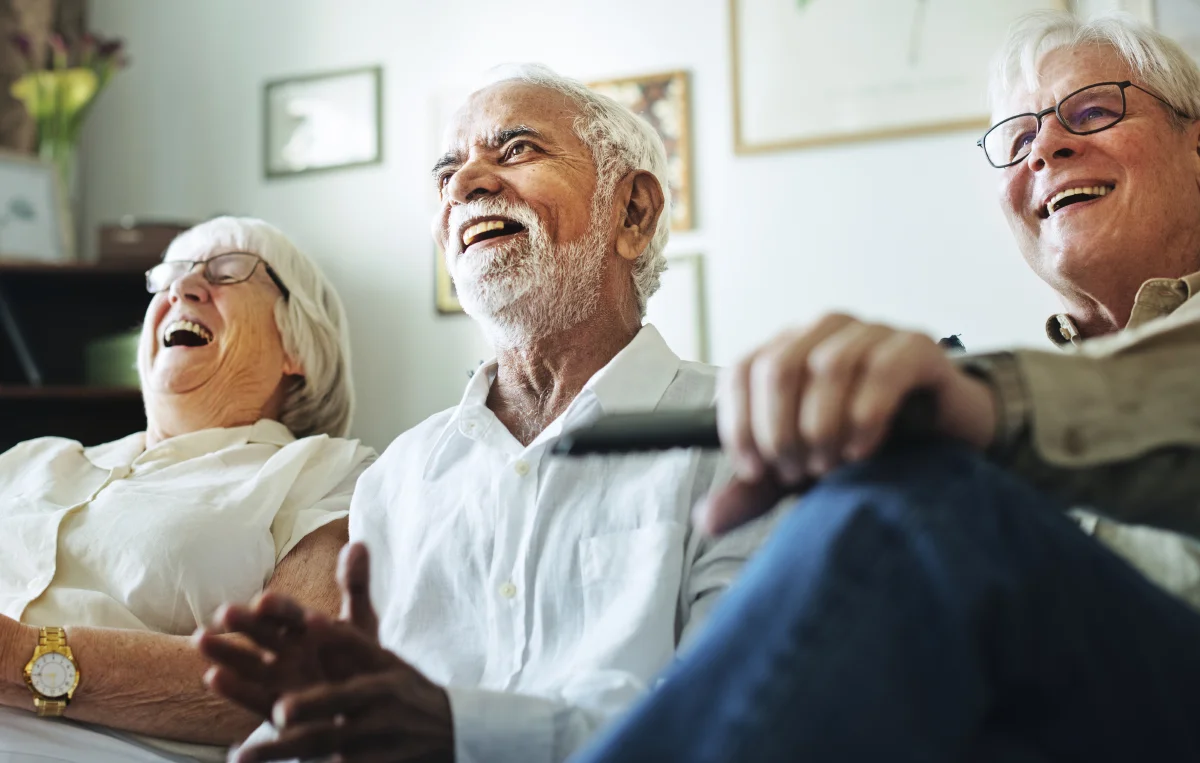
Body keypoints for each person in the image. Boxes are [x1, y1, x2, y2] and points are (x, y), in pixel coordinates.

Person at [568, 10, 1200, 762]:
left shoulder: (1006, 408)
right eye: (1019, 140)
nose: (1048, 149)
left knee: (916, 508)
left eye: (1093, 110)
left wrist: (985, 410)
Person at [197, 64, 773, 763]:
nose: (467, 184)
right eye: (447, 173)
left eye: (517, 150)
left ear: (633, 214)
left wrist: (459, 731)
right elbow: (355, 721)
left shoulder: (745, 435)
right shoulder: (399, 477)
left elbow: (734, 714)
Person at [0, 216, 375, 763]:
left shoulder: (330, 474)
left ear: (298, 344)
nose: (182, 288)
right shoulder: (33, 459)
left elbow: (285, 676)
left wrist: (21, 660)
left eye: (227, 272)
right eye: (170, 276)